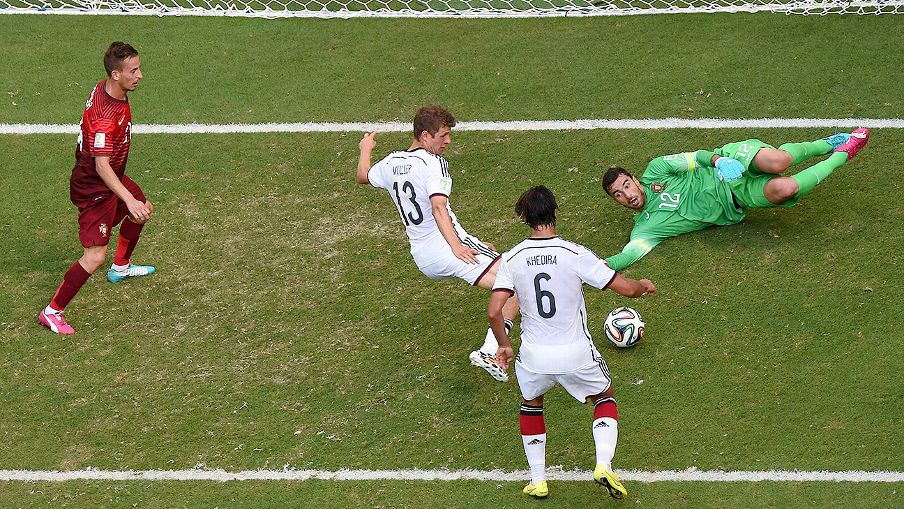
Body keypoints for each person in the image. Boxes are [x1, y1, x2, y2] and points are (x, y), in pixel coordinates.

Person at [488, 185, 656, 500]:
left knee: (531, 404)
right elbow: (622, 288)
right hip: (576, 353)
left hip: (534, 356)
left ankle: (538, 480)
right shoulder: (573, 253)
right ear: (555, 213)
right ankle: (604, 464)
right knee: (604, 396)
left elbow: (495, 310)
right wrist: (642, 286)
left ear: (525, 219)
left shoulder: (512, 258)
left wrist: (504, 344)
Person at [356, 104, 519, 382]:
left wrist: (366, 148)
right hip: (445, 249)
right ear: (424, 135)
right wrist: (457, 247)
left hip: (422, 254)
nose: (448, 141)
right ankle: (492, 351)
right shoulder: (433, 164)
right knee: (515, 283)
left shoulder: (392, 162)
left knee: (508, 268)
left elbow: (363, 176)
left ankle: (498, 345)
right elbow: (438, 208)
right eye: (442, 135)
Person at [601, 129, 870, 270]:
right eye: (619, 194)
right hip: (736, 198)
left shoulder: (657, 169)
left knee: (779, 160)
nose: (627, 195)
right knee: (787, 188)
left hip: (728, 163)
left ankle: (826, 143)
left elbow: (697, 158)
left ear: (635, 180)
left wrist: (720, 160)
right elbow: (629, 255)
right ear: (617, 201)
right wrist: (596, 267)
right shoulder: (646, 228)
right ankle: (844, 153)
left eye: (627, 185)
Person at [38, 42, 155, 335]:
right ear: (116, 74)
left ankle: (121, 268)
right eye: (133, 71)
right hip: (95, 186)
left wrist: (132, 201)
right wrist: (126, 199)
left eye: (139, 68)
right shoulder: (104, 119)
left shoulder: (105, 88)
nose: (140, 75)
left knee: (143, 208)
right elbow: (101, 166)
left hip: (109, 176)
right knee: (94, 255)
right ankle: (52, 312)